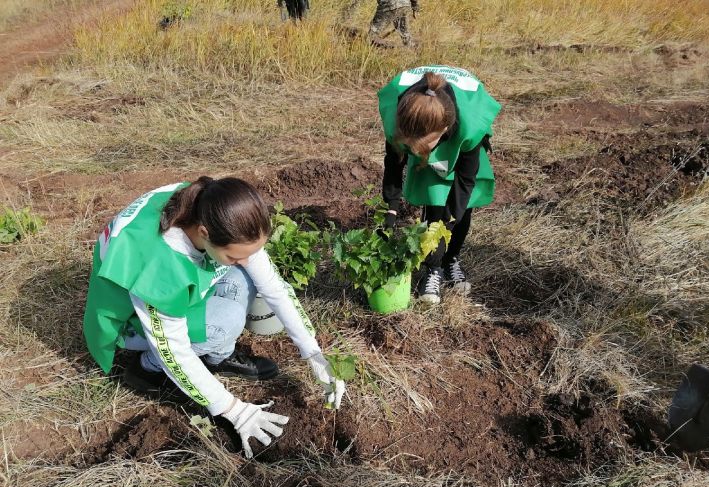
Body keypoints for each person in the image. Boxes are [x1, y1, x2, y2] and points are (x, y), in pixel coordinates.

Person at [83, 177, 345, 458]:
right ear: (205, 233)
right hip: (130, 322)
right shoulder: (160, 268)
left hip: (178, 284)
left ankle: (216, 354)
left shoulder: (207, 205)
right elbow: (173, 350)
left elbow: (275, 289)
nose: (245, 261)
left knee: (248, 279)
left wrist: (313, 352)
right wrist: (233, 409)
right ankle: (147, 367)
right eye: (234, 257)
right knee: (221, 326)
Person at [377, 66, 501, 304]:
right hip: (423, 117)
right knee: (434, 200)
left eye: (426, 144)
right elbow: (393, 163)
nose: (416, 151)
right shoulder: (398, 115)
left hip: (461, 121)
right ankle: (433, 269)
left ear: (444, 130)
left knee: (462, 209)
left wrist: (449, 222)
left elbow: (465, 182)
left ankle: (450, 258)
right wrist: (391, 208)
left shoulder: (469, 126)